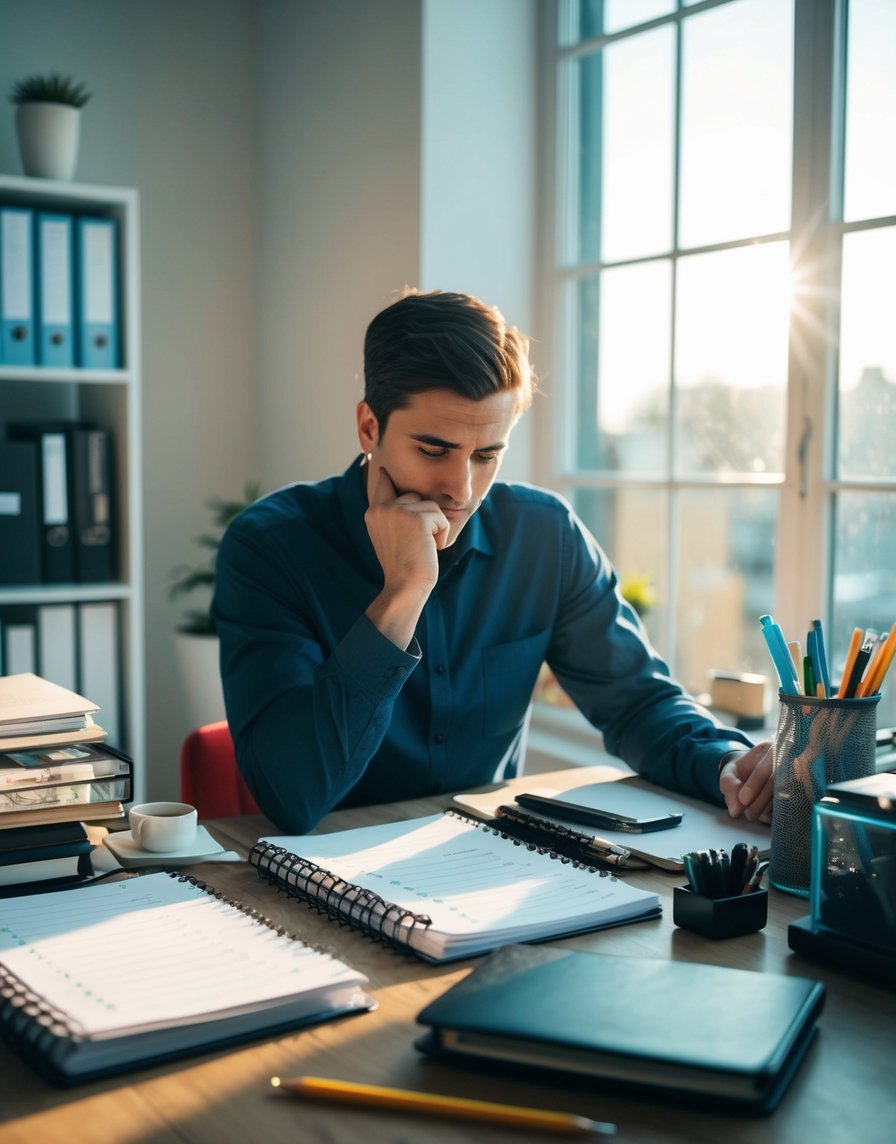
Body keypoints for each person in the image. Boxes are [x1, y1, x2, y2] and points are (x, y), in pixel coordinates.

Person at [212, 288, 773, 835]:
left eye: (487, 455)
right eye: (433, 451)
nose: (461, 488)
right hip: (320, 885)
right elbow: (292, 795)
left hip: (484, 870)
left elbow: (639, 704)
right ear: (369, 428)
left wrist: (727, 765)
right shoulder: (269, 548)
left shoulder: (544, 536)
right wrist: (403, 593)